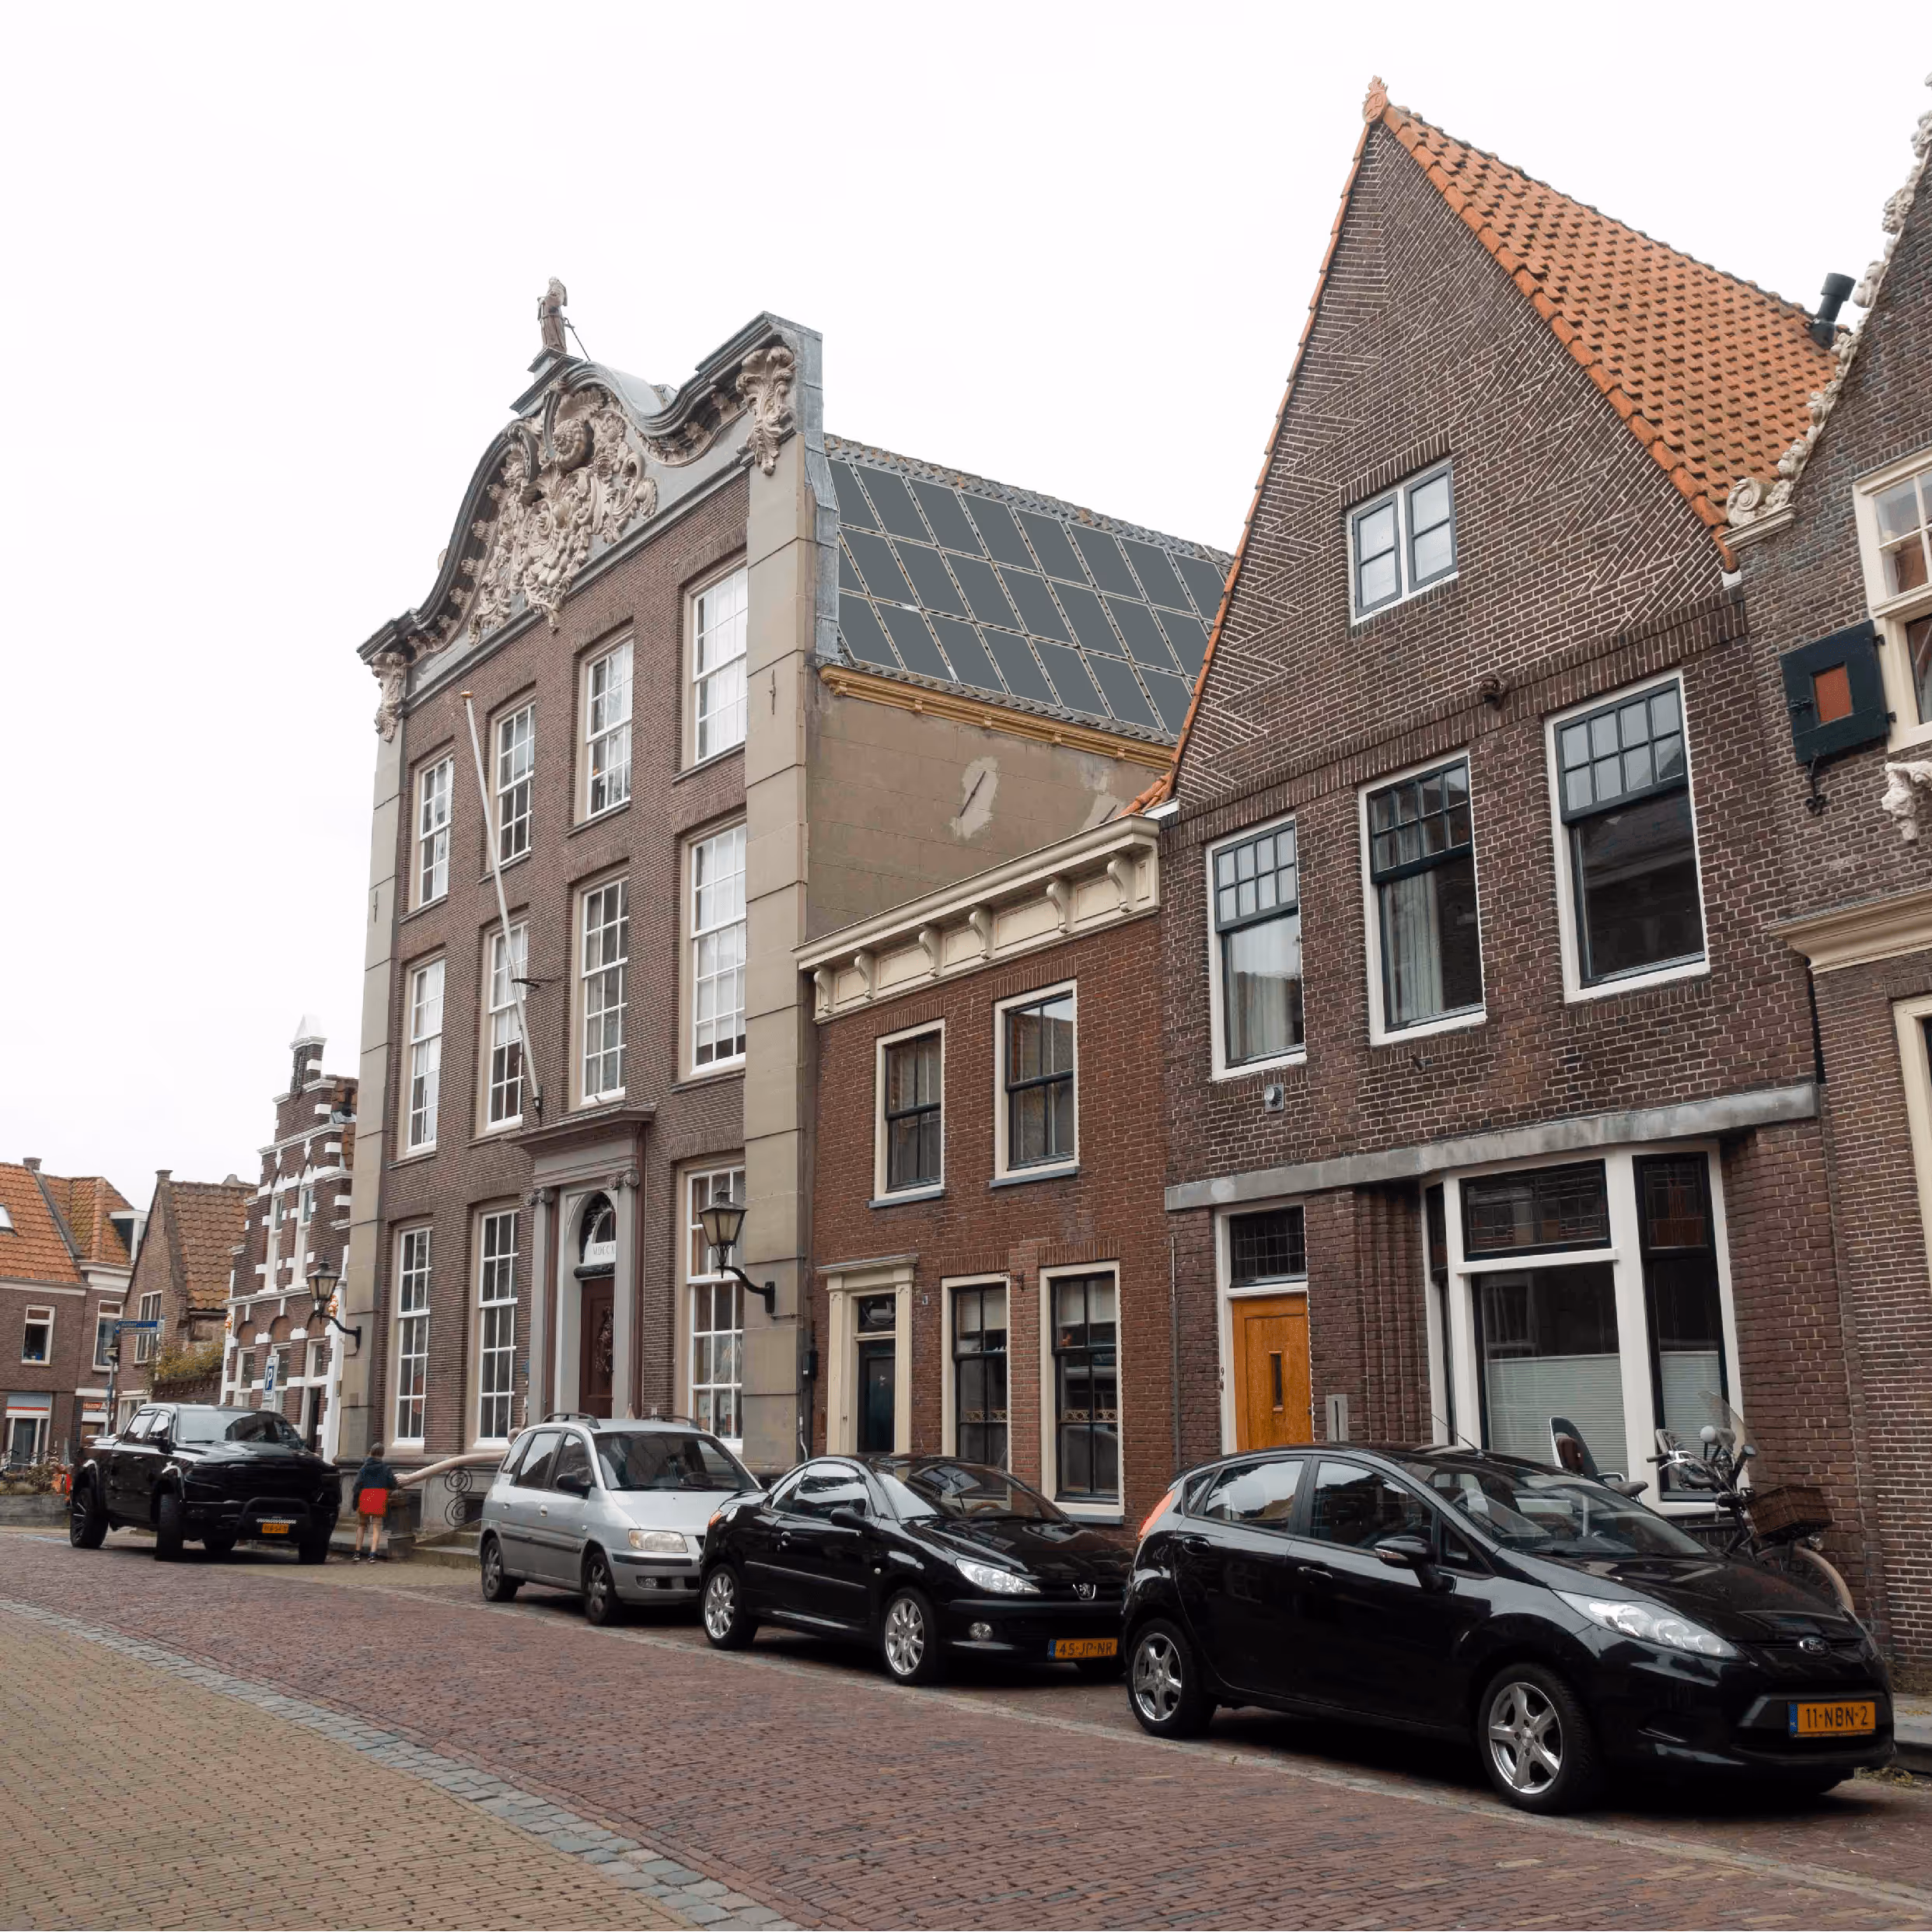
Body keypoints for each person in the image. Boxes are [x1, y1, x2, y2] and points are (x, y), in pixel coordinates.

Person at [351, 1441, 400, 1563]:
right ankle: (372, 1555)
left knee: (361, 1525)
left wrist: (355, 1503)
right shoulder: (386, 1468)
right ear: (382, 1454)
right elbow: (392, 1484)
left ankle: (357, 1553)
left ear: (371, 1452)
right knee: (377, 1527)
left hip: (365, 1495)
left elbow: (357, 1486)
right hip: (379, 1496)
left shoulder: (364, 1468)